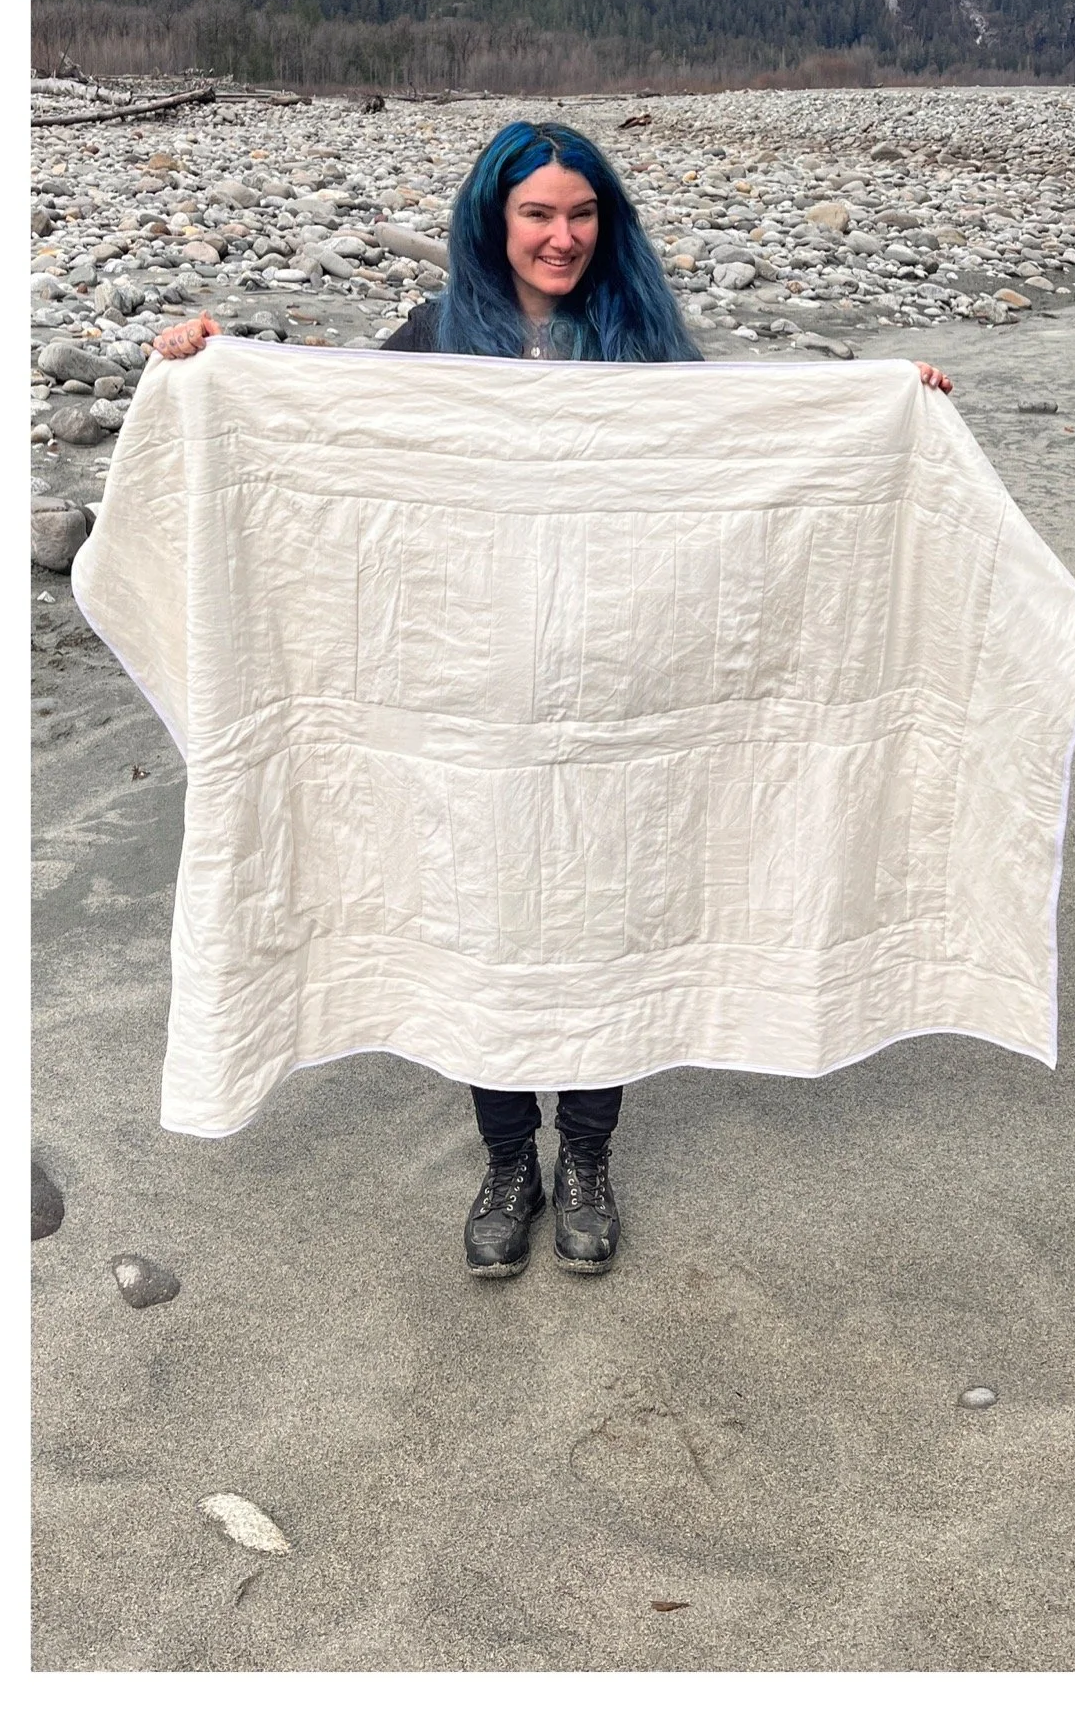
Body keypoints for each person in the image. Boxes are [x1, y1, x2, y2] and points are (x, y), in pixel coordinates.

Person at [154, 120, 953, 1283]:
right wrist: (210, 363)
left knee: (597, 920)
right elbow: (326, 435)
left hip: (615, 706)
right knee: (491, 922)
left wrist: (891, 403)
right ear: (495, 220)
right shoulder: (434, 340)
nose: (562, 236)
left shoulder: (637, 346)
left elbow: (739, 457)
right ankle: (505, 1161)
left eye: (581, 214)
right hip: (471, 708)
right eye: (538, 214)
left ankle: (584, 1158)